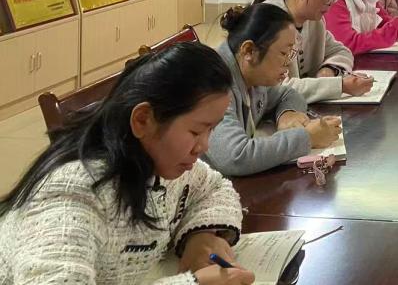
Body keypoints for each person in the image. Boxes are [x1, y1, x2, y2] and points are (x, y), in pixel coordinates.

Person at [0, 43, 255, 284]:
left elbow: (215, 188)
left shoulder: (158, 159)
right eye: (196, 131)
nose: (204, 146)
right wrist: (193, 282)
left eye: (212, 130)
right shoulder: (72, 193)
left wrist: (200, 236)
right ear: (142, 120)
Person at [205, 3, 342, 178]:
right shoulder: (213, 84)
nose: (288, 63)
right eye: (284, 53)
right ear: (249, 51)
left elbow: (288, 94)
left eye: (291, 54)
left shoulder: (251, 74)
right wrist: (308, 137)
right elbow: (235, 157)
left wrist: (288, 113)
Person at [254, 0, 371, 102]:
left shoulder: (314, 20)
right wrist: (340, 86)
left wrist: (329, 69)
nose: (331, 3)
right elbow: (277, 88)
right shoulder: (269, 20)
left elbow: (341, 51)